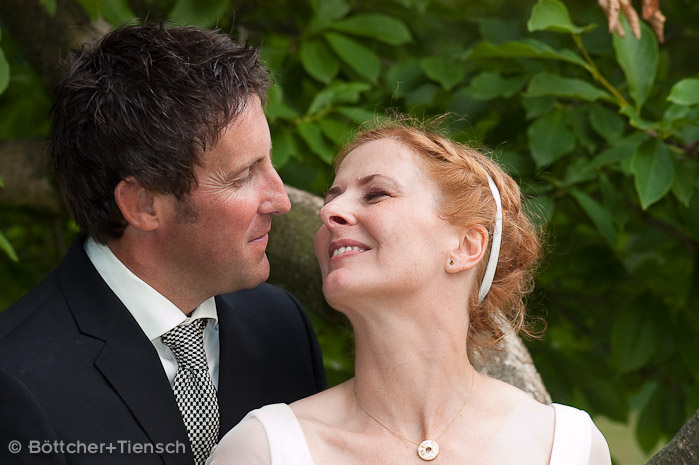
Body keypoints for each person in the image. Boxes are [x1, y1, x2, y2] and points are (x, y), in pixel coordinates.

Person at [0, 23, 326, 465]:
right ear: (144, 205)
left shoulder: (281, 327)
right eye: (243, 176)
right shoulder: (16, 383)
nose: (282, 199)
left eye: (270, 163)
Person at [208, 121, 612, 465]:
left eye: (376, 194)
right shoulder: (265, 449)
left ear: (466, 247)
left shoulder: (568, 447)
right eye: (332, 198)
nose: (329, 213)